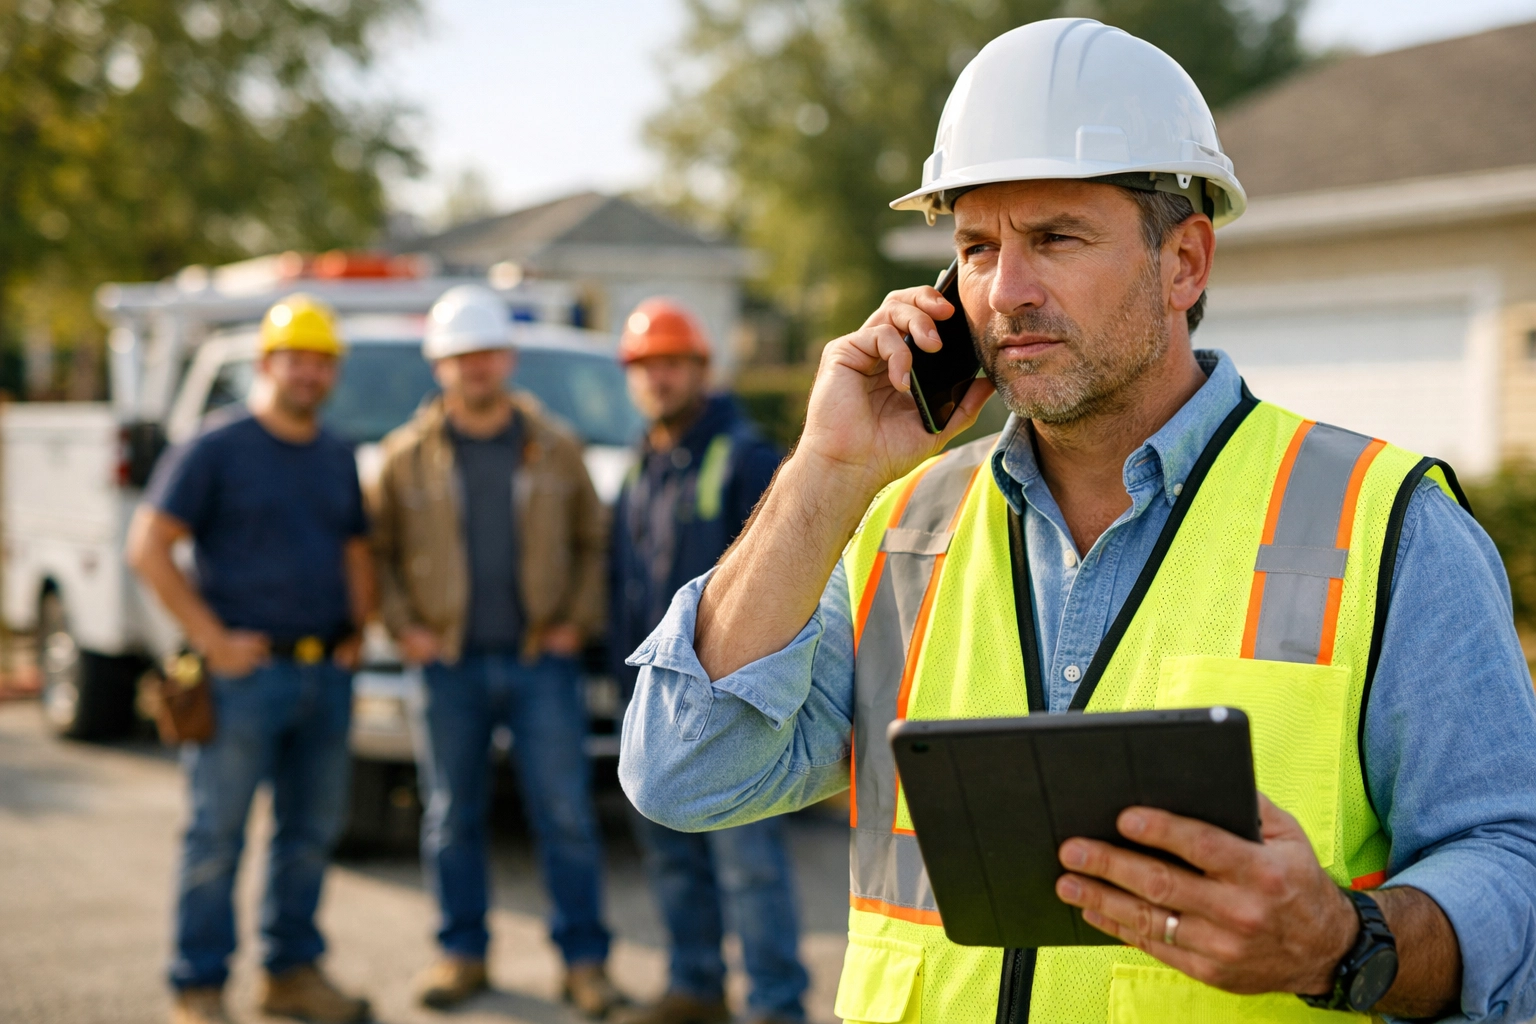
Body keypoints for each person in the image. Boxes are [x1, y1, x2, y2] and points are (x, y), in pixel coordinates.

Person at [619, 18, 1536, 1024]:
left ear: (1185, 262)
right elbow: (682, 773)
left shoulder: (1389, 524)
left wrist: (1341, 943)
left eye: (1055, 237)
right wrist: (826, 470)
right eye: (975, 247)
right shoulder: (904, 528)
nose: (1005, 292)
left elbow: (1512, 865)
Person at [368, 285, 620, 1015]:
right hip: (447, 666)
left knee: (565, 814)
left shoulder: (556, 445)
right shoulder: (403, 458)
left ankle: (584, 964)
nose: (474, 368)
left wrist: (576, 620)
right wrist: (403, 626)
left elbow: (591, 541)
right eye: (459, 357)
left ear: (507, 358)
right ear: (438, 366)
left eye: (485, 354)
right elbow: (379, 553)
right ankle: (460, 955)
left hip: (543, 660)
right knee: (451, 815)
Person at [127, 294, 375, 1024]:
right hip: (243, 679)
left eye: (322, 362)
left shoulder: (335, 455)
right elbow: (147, 546)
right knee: (216, 837)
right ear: (267, 365)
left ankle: (290, 974)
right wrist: (211, 641)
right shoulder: (215, 447)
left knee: (308, 835)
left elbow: (355, 547)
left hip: (324, 676)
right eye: (296, 359)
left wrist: (359, 629)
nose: (309, 374)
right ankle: (198, 988)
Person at [607, 300, 806, 1024]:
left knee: (748, 867)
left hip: (730, 704)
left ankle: (775, 1005)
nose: (658, 379)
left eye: (672, 364)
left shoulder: (745, 456)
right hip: (654, 701)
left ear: (702, 369)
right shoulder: (642, 463)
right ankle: (694, 987)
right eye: (646, 367)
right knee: (670, 856)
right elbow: (621, 576)